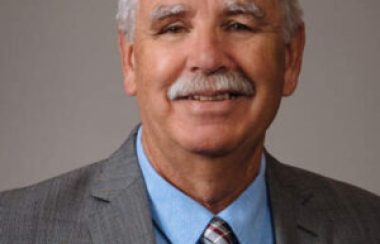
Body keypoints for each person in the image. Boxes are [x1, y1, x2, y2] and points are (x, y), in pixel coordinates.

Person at [1, 0, 379, 243]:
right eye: (173, 27)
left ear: (290, 58)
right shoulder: (13, 229)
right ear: (130, 60)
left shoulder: (367, 226)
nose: (207, 58)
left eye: (238, 25)